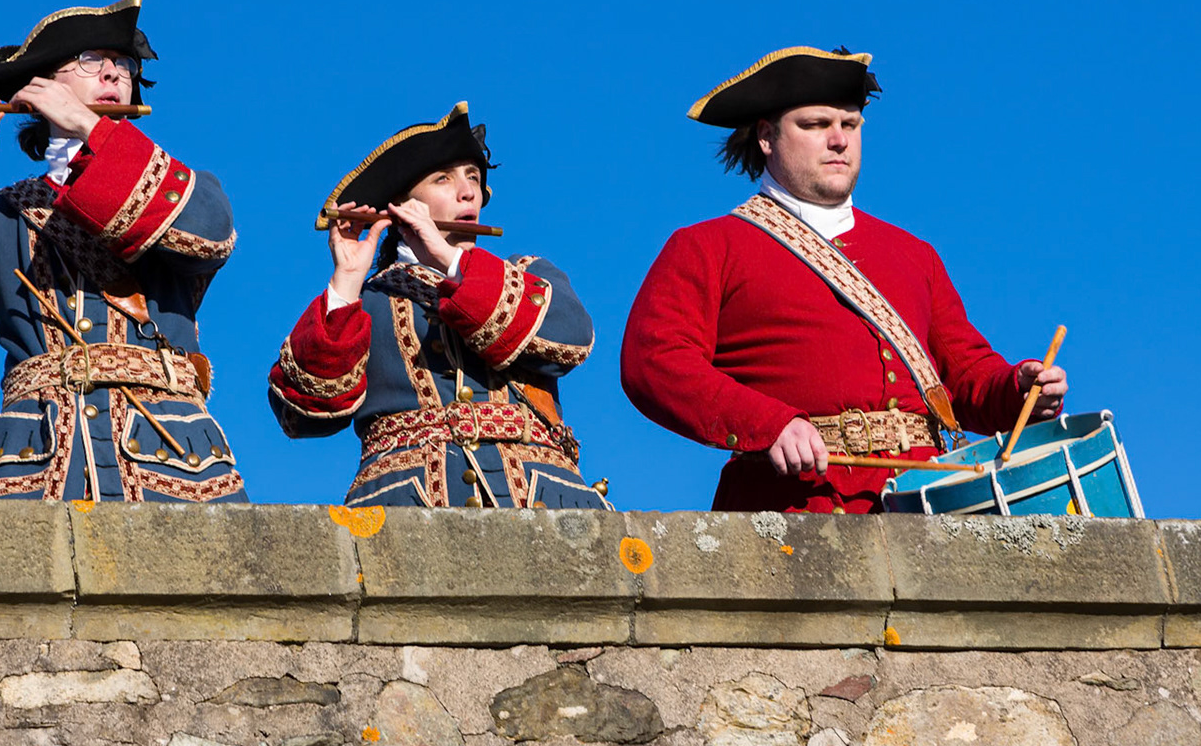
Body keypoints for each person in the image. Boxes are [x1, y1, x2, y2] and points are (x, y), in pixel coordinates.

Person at [619, 46, 1067, 513]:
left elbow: (967, 373)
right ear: (767, 137)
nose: (839, 141)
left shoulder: (915, 254)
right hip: (793, 507)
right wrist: (766, 424)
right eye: (816, 125)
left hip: (925, 509)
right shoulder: (707, 246)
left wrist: (1019, 389)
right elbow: (654, 361)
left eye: (850, 125)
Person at [0, 0, 246, 502]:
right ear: (40, 86)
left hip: (173, 463)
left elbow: (209, 236)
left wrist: (91, 129)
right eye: (90, 60)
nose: (113, 73)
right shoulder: (5, 214)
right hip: (33, 463)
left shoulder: (185, 187)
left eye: (123, 64)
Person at [267, 103, 608, 509]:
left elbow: (573, 339)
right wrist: (346, 281)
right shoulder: (365, 302)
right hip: (407, 508)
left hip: (542, 501)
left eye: (473, 177)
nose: (468, 191)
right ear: (401, 207)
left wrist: (449, 260)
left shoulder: (530, 274)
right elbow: (299, 414)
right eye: (443, 178)